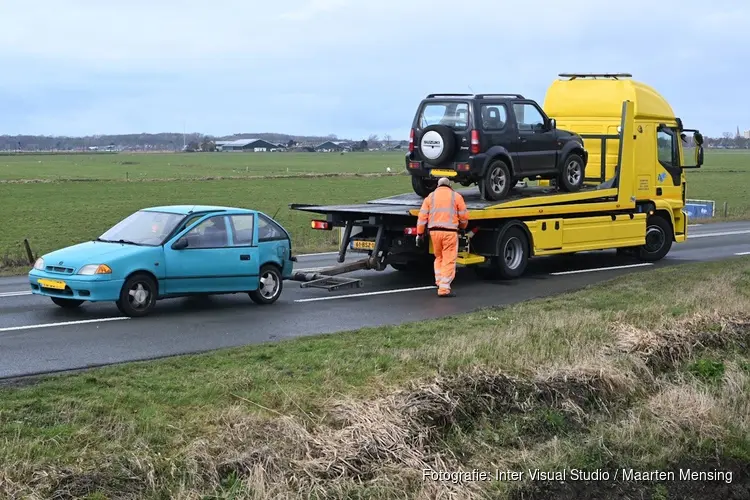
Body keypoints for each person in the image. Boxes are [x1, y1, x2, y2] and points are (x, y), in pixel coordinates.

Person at [415, 177, 469, 297]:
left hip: (434, 232)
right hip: (450, 232)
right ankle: (444, 289)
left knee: (438, 257)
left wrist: (419, 233)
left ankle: (439, 281)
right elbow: (464, 216)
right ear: (449, 185)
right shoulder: (456, 196)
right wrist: (463, 226)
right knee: (448, 259)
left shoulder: (430, 197)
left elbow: (422, 217)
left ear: (438, 185)